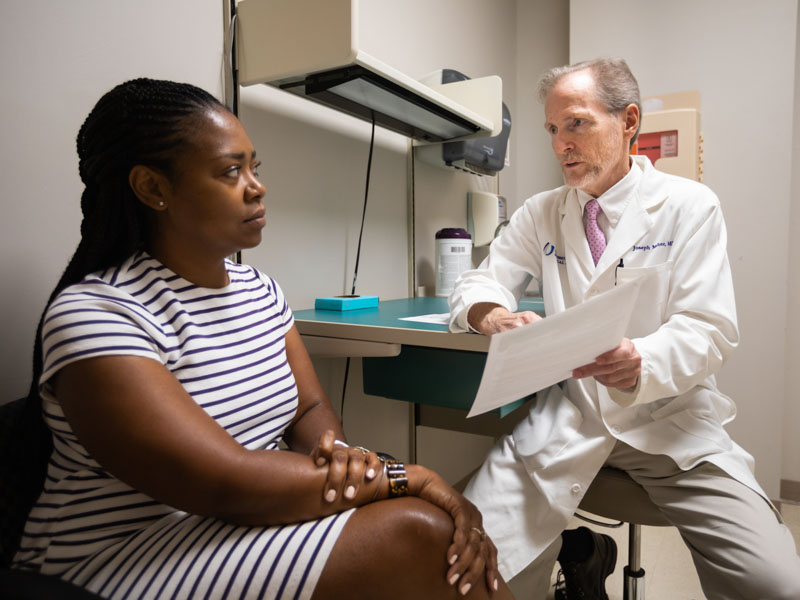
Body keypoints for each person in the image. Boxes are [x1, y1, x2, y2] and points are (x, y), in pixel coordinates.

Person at [11, 77, 514, 600]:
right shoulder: (100, 313)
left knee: (422, 527)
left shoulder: (260, 290)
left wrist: (340, 455)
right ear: (152, 188)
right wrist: (402, 476)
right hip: (119, 555)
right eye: (231, 171)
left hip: (230, 523)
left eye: (255, 167)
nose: (257, 186)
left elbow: (308, 407)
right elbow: (225, 480)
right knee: (421, 530)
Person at [449, 58, 800, 600]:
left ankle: (586, 557)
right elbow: (479, 281)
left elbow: (709, 329)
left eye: (577, 123)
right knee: (478, 572)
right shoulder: (541, 212)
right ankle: (582, 567)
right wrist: (493, 314)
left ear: (628, 121)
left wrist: (643, 358)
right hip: (570, 420)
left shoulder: (689, 206)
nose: (561, 143)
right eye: (552, 129)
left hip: (667, 422)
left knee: (774, 584)